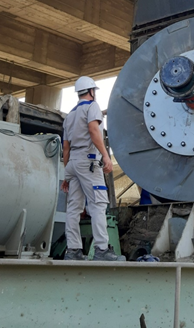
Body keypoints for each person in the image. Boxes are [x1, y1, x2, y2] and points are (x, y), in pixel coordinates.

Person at [61, 76, 124, 261]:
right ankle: (102, 249)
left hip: (73, 163)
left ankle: (73, 251)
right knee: (98, 204)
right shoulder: (92, 107)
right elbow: (93, 130)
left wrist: (67, 175)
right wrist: (105, 155)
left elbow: (66, 148)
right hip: (88, 162)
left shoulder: (69, 116)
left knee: (74, 208)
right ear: (91, 91)